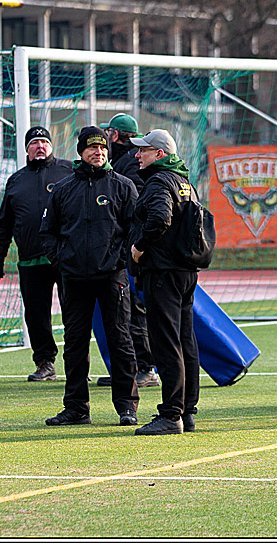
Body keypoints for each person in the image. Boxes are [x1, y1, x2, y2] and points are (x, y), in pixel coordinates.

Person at [39, 126, 140, 427]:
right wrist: (62, 261)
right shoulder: (64, 189)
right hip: (74, 277)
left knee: (120, 339)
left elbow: (135, 229)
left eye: (103, 148)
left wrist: (119, 260)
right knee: (75, 343)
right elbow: (48, 232)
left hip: (112, 277)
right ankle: (76, 408)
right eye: (92, 148)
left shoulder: (123, 186)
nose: (98, 152)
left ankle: (127, 406)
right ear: (81, 152)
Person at [129, 129, 200, 436]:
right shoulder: (185, 182)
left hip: (163, 272)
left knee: (166, 342)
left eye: (143, 150)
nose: (137, 155)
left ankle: (171, 414)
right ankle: (187, 411)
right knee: (185, 341)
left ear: (159, 154)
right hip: (185, 271)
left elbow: (159, 218)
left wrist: (138, 247)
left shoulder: (159, 181)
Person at [0, 125, 72, 382]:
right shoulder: (16, 180)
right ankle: (45, 362)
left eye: (44, 142)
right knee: (36, 315)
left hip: (65, 257)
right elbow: (5, 223)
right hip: (30, 259)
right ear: (27, 149)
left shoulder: (68, 171)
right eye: (34, 143)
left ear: (51, 146)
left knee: (74, 311)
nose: (40, 146)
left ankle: (76, 362)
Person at [97, 112, 159, 389]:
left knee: (134, 312)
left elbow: (137, 204)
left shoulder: (130, 164)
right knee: (121, 313)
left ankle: (146, 367)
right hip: (122, 247)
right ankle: (128, 368)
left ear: (114, 134)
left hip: (132, 248)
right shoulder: (124, 161)